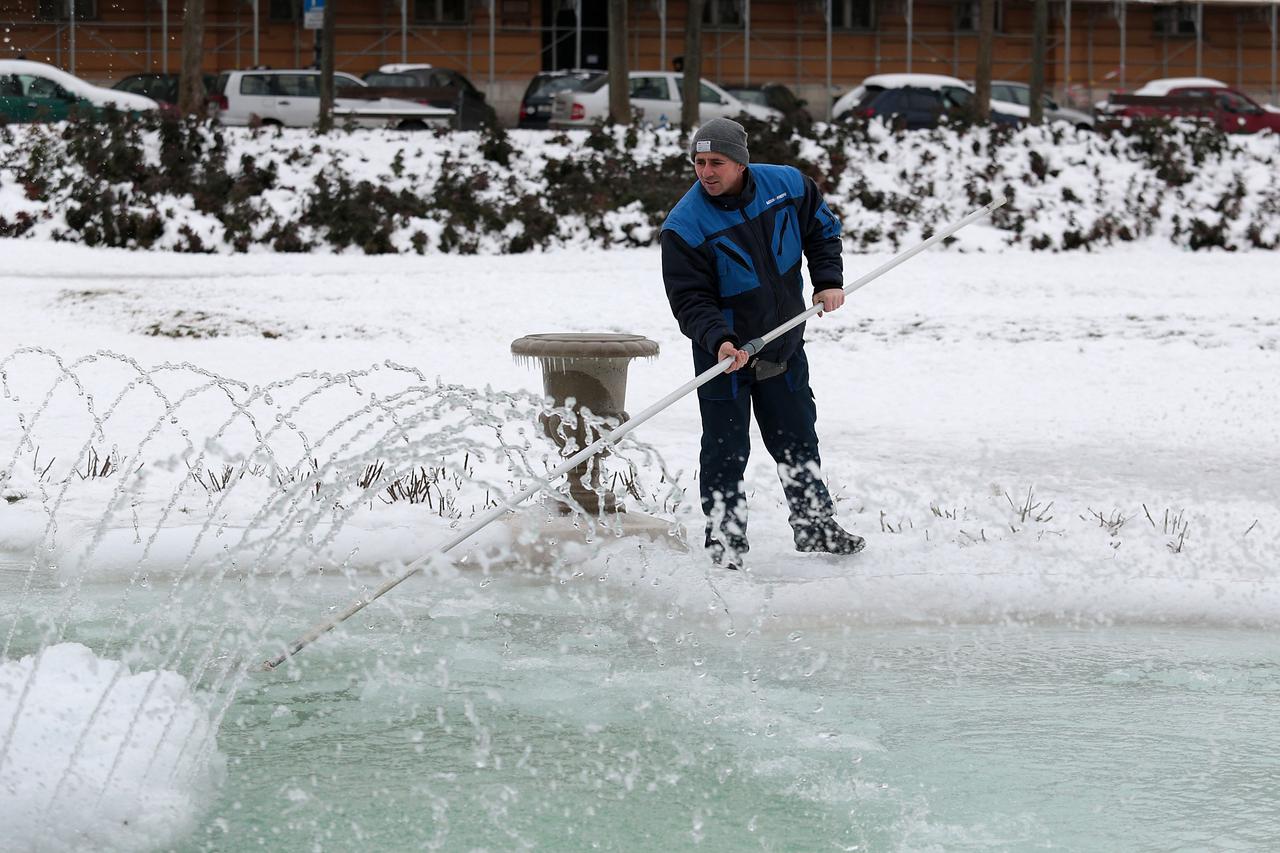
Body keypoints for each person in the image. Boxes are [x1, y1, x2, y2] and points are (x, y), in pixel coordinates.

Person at [661, 117, 865, 571]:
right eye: (699, 162)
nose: (706, 172)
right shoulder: (685, 225)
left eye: (716, 162)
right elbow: (690, 299)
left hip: (784, 344)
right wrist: (719, 340)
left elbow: (822, 229)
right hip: (725, 358)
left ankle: (815, 525)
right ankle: (725, 542)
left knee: (798, 439)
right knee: (725, 452)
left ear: (740, 163)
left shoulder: (788, 186)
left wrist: (828, 280)